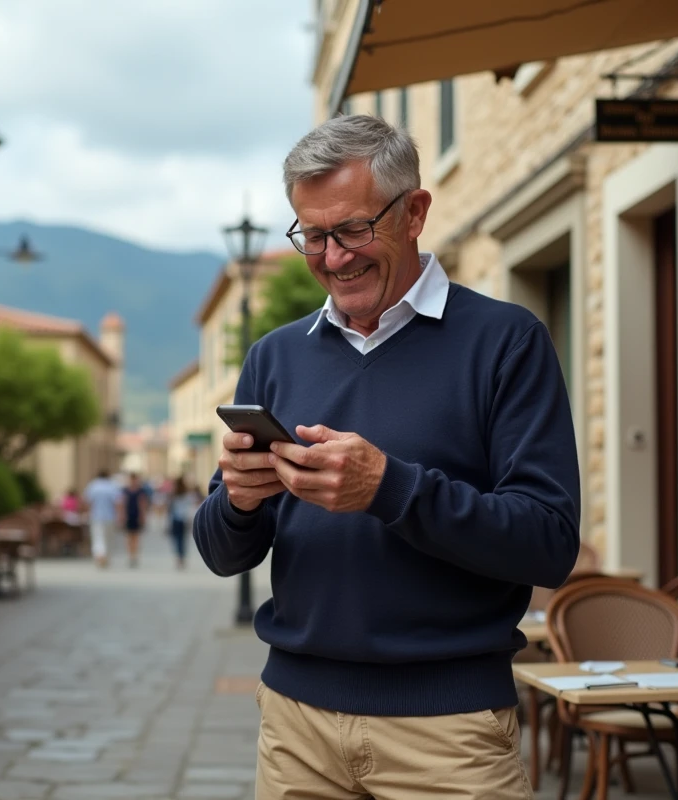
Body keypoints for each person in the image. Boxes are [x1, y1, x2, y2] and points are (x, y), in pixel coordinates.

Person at [192, 114, 580, 799]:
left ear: (416, 212)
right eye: (313, 236)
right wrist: (240, 501)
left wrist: (389, 487)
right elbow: (224, 554)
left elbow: (548, 543)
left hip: (450, 732)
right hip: (295, 726)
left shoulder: (506, 341)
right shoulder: (274, 356)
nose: (333, 258)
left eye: (353, 230)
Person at [83, 470, 122, 569]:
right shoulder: (113, 486)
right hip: (110, 516)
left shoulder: (93, 486)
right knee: (108, 538)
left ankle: (100, 555)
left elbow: (87, 502)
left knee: (98, 537)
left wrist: (87, 513)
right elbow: (118, 503)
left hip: (96, 516)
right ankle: (105, 556)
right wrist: (120, 515)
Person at [167, 476, 202, 570]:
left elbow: (170, 508)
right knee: (183, 540)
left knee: (177, 540)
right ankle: (182, 558)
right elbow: (194, 503)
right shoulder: (187, 494)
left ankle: (179, 558)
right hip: (184, 519)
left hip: (175, 519)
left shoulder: (173, 494)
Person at [120, 473, 149, 569]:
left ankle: (134, 556)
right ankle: (130, 555)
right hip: (128, 515)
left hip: (136, 516)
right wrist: (122, 515)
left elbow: (143, 504)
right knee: (129, 537)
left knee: (136, 537)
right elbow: (123, 504)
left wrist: (143, 516)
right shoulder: (125, 491)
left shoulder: (140, 491)